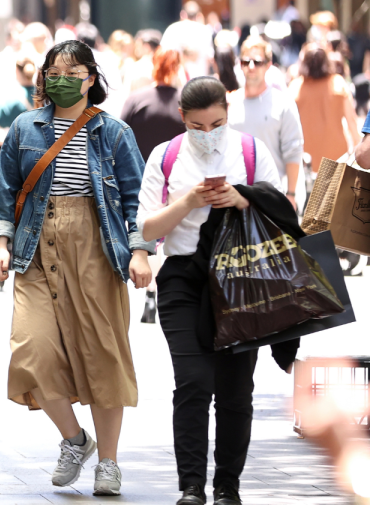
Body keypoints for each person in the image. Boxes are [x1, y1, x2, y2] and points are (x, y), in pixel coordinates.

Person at [0, 39, 154, 497]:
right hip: (35, 249)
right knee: (31, 352)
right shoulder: (24, 129)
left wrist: (139, 251)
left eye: (72, 70)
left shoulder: (114, 133)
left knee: (103, 355)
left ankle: (109, 463)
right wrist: (1, 243)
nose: (61, 79)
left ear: (91, 78)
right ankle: (75, 440)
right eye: (53, 71)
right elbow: (7, 194)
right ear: (43, 78)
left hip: (96, 250)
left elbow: (135, 200)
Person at [136, 77, 292, 505]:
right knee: (192, 382)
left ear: (229, 113)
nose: (209, 134)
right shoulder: (165, 156)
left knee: (236, 388)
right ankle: (191, 486)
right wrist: (186, 202)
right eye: (199, 126)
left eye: (217, 124)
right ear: (183, 119)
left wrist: (240, 198)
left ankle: (227, 485)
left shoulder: (250, 150)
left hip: (242, 279)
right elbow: (147, 229)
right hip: (183, 278)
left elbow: (281, 209)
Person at [228, 36, 304, 209]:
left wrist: (291, 195)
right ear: (240, 65)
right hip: (236, 196)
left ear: (268, 65)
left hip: (273, 195)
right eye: (246, 62)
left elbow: (293, 150)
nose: (251, 67)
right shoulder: (230, 103)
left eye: (257, 62)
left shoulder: (283, 103)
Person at [289, 43, 360, 172]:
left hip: (304, 161)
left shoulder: (295, 88)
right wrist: (358, 155)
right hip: (336, 159)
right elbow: (352, 123)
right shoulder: (338, 84)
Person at [121, 47, 187, 162]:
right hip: (174, 170)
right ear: (178, 68)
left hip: (139, 169)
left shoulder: (136, 99)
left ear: (154, 64)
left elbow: (119, 134)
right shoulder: (185, 100)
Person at [162, 1, 215, 78]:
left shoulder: (172, 29)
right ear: (198, 15)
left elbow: (163, 55)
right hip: (199, 81)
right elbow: (210, 58)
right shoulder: (204, 31)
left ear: (183, 14)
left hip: (177, 81)